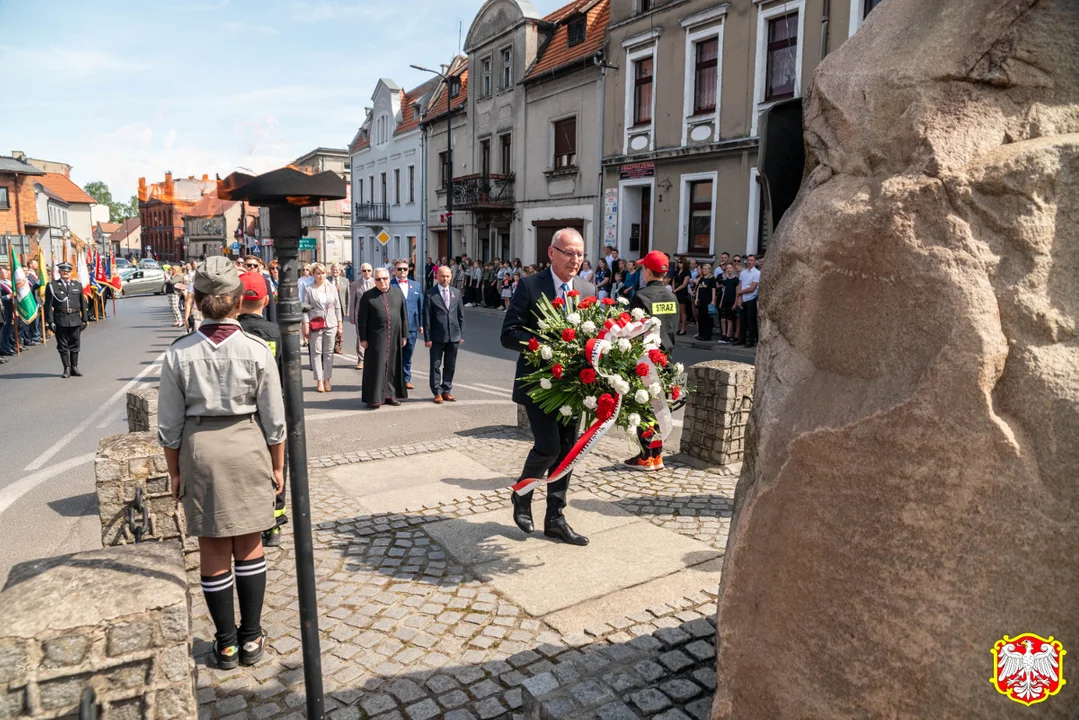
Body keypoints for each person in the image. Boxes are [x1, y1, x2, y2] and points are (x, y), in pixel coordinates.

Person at [157, 256, 286, 669]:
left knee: (213, 546)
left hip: (201, 450)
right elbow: (275, 421)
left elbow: (169, 426)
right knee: (249, 542)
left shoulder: (178, 354)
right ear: (237, 301)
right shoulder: (256, 350)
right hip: (247, 445)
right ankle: (251, 638)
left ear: (195, 300)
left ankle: (226, 643)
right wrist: (278, 466)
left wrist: (175, 471)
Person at [501, 227, 596, 546]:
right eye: (569, 252)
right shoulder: (530, 285)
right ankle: (522, 496)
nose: (576, 259)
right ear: (552, 253)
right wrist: (541, 347)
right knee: (549, 447)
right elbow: (509, 333)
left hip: (573, 386)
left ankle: (555, 518)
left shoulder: (587, 288)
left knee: (567, 453)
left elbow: (593, 335)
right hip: (539, 383)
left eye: (580, 253)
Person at [236, 271, 289, 548]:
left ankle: (247, 524)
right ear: (266, 299)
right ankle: (273, 524)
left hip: (239, 413)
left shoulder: (231, 332)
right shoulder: (275, 333)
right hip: (271, 410)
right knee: (277, 466)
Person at [625, 250, 679, 471]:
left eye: (642, 268)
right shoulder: (672, 296)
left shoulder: (642, 296)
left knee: (644, 407)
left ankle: (645, 456)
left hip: (646, 359)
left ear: (648, 270)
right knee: (660, 408)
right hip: (665, 358)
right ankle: (657, 455)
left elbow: (632, 330)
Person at [357, 267, 408, 408]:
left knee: (393, 366)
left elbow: (404, 316)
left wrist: (405, 335)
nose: (382, 282)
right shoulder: (368, 296)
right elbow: (362, 319)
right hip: (376, 337)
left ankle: (390, 395)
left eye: (384, 278)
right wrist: (363, 338)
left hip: (395, 336)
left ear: (389, 278)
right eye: (378, 279)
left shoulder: (397, 293)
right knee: (376, 367)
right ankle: (374, 398)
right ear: (375, 280)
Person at [423, 265, 465, 404]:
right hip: (437, 336)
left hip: (453, 335)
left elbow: (460, 316)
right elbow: (427, 318)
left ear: (451, 277)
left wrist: (461, 334)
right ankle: (437, 392)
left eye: (447, 276)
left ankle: (447, 390)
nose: (445, 278)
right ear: (437, 276)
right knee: (435, 365)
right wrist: (427, 338)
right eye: (442, 276)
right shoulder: (430, 293)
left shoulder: (456, 293)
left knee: (450, 364)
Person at [301, 263, 343, 393]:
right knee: (316, 352)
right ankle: (319, 379)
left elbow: (337, 307)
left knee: (329, 353)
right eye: (318, 273)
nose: (321, 276)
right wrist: (305, 325)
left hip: (331, 323)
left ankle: (327, 378)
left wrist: (340, 324)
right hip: (315, 323)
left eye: (323, 273)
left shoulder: (331, 287)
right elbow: (304, 309)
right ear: (313, 274)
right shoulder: (309, 289)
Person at [44, 262, 89, 378]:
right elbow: (48, 306)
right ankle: (66, 368)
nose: (65, 272)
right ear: (59, 272)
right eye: (63, 270)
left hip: (75, 318)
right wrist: (50, 322)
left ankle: (74, 367)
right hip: (60, 319)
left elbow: (83, 303)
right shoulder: (52, 286)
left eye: (68, 271)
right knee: (62, 345)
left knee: (75, 343)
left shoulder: (77, 285)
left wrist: (85, 319)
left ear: (71, 272)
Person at [391, 258, 423, 390]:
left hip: (411, 325)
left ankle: (406, 379)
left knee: (408, 354)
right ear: (395, 270)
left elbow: (420, 306)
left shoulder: (416, 285)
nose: (403, 271)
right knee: (394, 353)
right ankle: (392, 379)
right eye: (399, 269)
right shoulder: (390, 284)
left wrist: (421, 324)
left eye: (405, 268)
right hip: (395, 326)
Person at [738, 254, 761, 347]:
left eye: (751, 260)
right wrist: (739, 298)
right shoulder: (743, 272)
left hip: (751, 298)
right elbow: (740, 284)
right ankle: (742, 338)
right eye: (748, 260)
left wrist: (740, 292)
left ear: (755, 262)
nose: (749, 262)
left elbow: (752, 288)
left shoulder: (757, 273)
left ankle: (751, 340)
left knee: (751, 320)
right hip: (743, 298)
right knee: (742, 320)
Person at [718, 262, 740, 343]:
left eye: (730, 268)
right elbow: (724, 291)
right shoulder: (726, 280)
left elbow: (737, 292)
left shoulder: (736, 280)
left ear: (733, 269)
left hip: (732, 301)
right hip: (725, 301)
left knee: (729, 319)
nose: (729, 270)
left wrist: (735, 303)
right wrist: (721, 302)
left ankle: (728, 335)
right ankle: (723, 334)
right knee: (723, 319)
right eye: (727, 268)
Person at [694, 263, 716, 341]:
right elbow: (698, 289)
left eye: (706, 269)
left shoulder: (712, 279)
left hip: (708, 301)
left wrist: (713, 300)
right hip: (701, 301)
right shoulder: (702, 278)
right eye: (703, 269)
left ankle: (707, 335)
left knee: (707, 319)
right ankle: (701, 334)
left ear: (710, 270)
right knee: (701, 318)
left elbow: (713, 290)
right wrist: (696, 298)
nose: (704, 270)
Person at [673, 257, 692, 335]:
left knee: (682, 311)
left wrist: (676, 290)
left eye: (680, 262)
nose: (679, 264)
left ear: (684, 263)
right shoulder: (677, 271)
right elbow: (674, 280)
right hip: (676, 291)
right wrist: (673, 289)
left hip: (682, 292)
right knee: (677, 311)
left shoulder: (687, 272)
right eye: (678, 262)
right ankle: (677, 327)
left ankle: (683, 328)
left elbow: (684, 284)